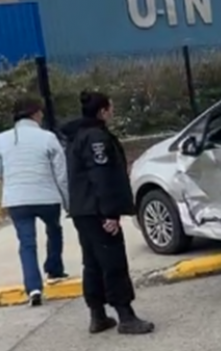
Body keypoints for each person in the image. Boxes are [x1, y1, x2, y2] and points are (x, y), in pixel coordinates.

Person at [61, 91, 154, 334]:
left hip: (83, 209)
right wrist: (110, 213)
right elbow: (101, 176)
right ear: (102, 111)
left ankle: (97, 314)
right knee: (113, 261)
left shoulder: (77, 136)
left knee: (92, 262)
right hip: (97, 210)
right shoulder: (96, 138)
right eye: (110, 108)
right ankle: (125, 315)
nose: (112, 111)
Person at [0, 96, 69, 307]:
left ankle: (33, 288)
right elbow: (61, 173)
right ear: (34, 114)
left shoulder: (2, 138)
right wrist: (68, 201)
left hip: (17, 200)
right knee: (54, 229)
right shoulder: (48, 137)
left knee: (26, 243)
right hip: (47, 196)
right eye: (40, 112)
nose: (42, 116)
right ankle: (54, 269)